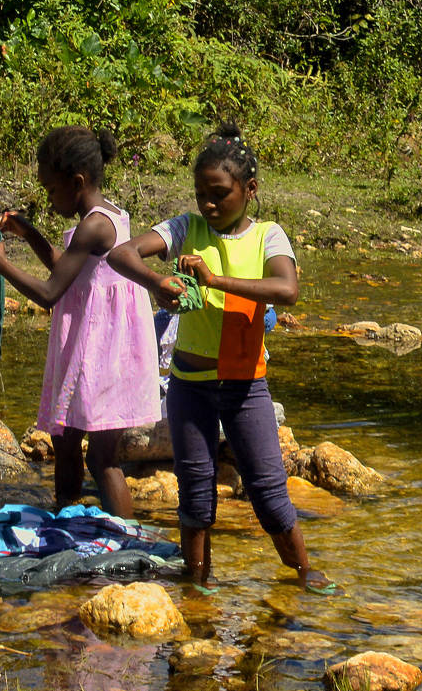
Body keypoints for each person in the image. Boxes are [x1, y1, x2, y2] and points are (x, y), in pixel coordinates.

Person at [110, 123, 333, 592]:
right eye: (201, 195)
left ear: (250, 190)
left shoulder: (269, 236)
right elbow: (122, 254)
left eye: (220, 194)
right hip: (190, 386)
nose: (208, 205)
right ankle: (197, 585)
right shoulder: (185, 229)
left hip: (245, 386)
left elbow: (286, 290)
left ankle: (303, 576)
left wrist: (214, 281)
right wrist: (159, 283)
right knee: (195, 492)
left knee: (270, 494)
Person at [0, 125, 161, 516]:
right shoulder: (100, 217)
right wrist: (30, 234)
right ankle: (66, 517)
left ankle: (123, 539)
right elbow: (68, 269)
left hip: (104, 352)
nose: (49, 197)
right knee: (63, 439)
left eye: (51, 189)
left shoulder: (95, 225)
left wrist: (0, 263)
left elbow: (50, 292)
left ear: (77, 181)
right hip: (92, 346)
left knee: (102, 458)